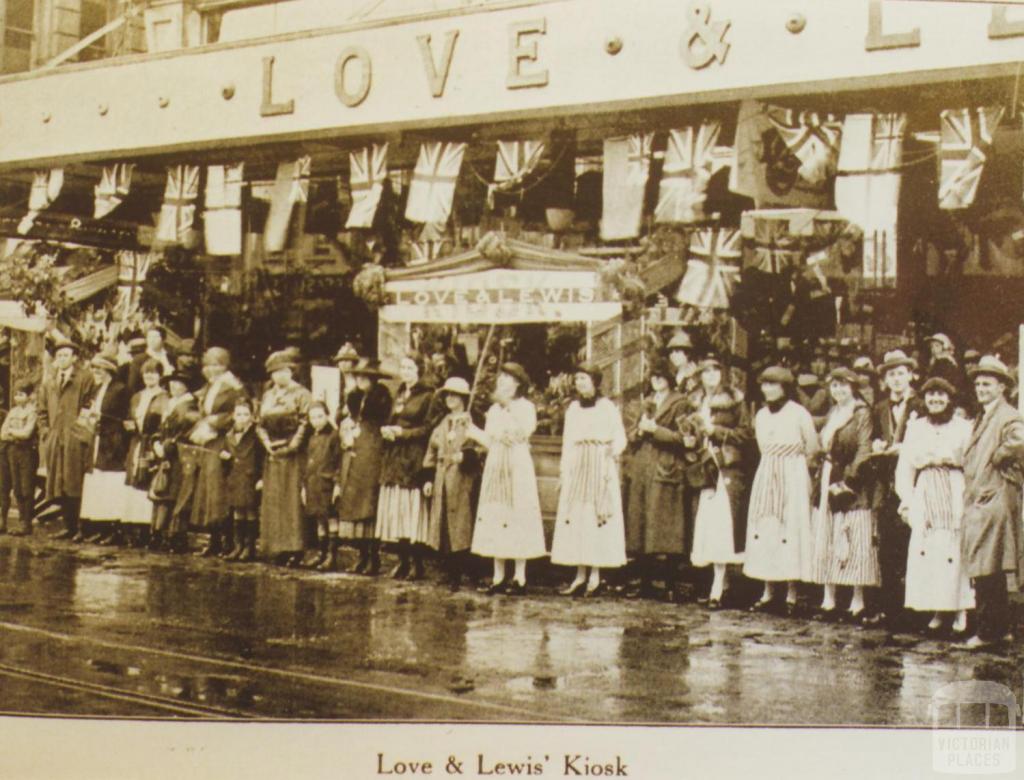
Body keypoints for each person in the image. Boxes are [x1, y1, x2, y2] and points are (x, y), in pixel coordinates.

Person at [894, 377, 974, 636]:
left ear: (950, 399)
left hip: (953, 487)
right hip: (926, 488)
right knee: (930, 549)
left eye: (941, 395)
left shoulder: (963, 427)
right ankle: (938, 611)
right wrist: (906, 500)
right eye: (931, 396)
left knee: (954, 547)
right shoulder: (916, 427)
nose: (935, 400)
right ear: (924, 399)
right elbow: (905, 466)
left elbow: (972, 463)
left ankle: (960, 611)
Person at [960, 355, 1024, 649]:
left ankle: (987, 631)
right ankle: (1000, 629)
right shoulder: (985, 416)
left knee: (987, 566)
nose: (981, 388)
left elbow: (1019, 440)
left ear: (1001, 387)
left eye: (988, 384)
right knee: (990, 565)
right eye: (978, 384)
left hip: (994, 497)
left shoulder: (1007, 415)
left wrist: (999, 456)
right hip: (983, 497)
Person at [743, 366, 819, 615]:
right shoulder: (762, 415)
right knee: (767, 527)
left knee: (791, 528)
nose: (768, 389)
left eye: (774, 384)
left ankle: (792, 593)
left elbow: (812, 447)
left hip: (793, 473)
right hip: (767, 472)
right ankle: (768, 590)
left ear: (785, 387)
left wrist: (797, 471)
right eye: (765, 384)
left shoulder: (799, 414)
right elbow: (761, 444)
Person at [467, 362, 546, 595]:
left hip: (516, 466)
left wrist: (508, 409)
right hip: (496, 464)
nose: (502, 382)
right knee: (496, 513)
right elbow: (491, 441)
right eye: (500, 378)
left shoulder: (525, 407)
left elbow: (521, 432)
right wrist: (471, 429)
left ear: (518, 383)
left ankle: (519, 577)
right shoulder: (494, 410)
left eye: (507, 378)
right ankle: (498, 575)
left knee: (517, 514)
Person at [809, 367, 879, 623]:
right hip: (829, 474)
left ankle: (856, 601)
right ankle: (829, 598)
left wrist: (850, 478)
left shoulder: (861, 413)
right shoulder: (833, 413)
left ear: (853, 387)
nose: (838, 391)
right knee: (827, 532)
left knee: (852, 534)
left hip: (852, 479)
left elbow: (864, 447)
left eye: (843, 386)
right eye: (834, 386)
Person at [550, 366, 627, 597]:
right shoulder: (573, 408)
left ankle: (595, 575)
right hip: (578, 466)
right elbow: (567, 441)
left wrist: (611, 451)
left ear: (594, 381)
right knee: (578, 519)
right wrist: (564, 472)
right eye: (577, 379)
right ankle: (579, 575)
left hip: (600, 466)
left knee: (596, 519)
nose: (579, 383)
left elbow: (620, 437)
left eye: (583, 378)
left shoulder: (607, 407)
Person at [865, 349, 926, 629]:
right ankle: (890, 610)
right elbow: (874, 435)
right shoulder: (879, 407)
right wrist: (877, 443)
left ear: (910, 376)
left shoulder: (922, 404)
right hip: (886, 484)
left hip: (913, 483)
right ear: (885, 380)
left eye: (901, 373)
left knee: (912, 545)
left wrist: (907, 449)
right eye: (891, 375)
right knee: (887, 547)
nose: (897, 380)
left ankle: (913, 611)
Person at [624, 359, 690, 601]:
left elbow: (685, 437)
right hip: (644, 466)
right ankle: (643, 580)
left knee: (667, 529)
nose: (657, 381)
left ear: (670, 379)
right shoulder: (647, 402)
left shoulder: (681, 403)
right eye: (653, 377)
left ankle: (670, 583)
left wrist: (655, 431)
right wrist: (640, 431)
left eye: (661, 377)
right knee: (642, 525)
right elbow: (631, 435)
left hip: (666, 465)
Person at [688, 357, 751, 609]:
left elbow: (746, 433)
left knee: (722, 525)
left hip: (725, 466)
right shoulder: (694, 401)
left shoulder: (735, 400)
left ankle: (718, 585)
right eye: (706, 371)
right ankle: (716, 581)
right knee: (705, 525)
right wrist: (690, 439)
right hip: (703, 466)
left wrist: (717, 432)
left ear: (722, 374)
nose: (710, 375)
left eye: (715, 370)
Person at [376, 354, 438, 581]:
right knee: (397, 511)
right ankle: (401, 561)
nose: (406, 371)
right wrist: (389, 430)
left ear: (419, 371)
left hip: (413, 456)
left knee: (412, 512)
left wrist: (403, 433)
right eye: (403, 367)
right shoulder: (399, 393)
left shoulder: (428, 396)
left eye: (410, 367)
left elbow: (428, 429)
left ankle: (416, 563)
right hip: (395, 457)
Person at [421, 376, 481, 591]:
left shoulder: (471, 422)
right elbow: (431, 450)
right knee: (443, 524)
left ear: (463, 398)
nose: (450, 398)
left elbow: (480, 448)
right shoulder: (442, 423)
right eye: (447, 394)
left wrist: (466, 457)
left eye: (454, 395)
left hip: (462, 480)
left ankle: (466, 571)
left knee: (462, 524)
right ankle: (448, 571)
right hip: (441, 477)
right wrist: (428, 478)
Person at [187, 347, 245, 557]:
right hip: (208, 441)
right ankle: (214, 539)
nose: (211, 370)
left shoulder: (234, 387)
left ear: (224, 365)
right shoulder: (210, 386)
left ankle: (228, 540)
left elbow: (239, 413)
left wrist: (215, 423)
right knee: (208, 491)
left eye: (216, 365)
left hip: (223, 441)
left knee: (220, 490)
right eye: (208, 365)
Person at [336, 358, 392, 575]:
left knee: (369, 502)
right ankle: (361, 555)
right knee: (354, 500)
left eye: (364, 377)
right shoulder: (354, 397)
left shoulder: (381, 398)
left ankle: (373, 557)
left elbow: (381, 423)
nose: (359, 380)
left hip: (373, 448)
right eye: (357, 376)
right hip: (356, 449)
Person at [257, 350, 312, 567]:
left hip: (293, 453)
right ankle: (276, 546)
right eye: (274, 372)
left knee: (291, 500)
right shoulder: (268, 395)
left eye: (283, 371)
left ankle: (295, 548)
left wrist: (293, 445)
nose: (279, 376)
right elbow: (259, 422)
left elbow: (305, 422)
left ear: (291, 371)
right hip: (273, 452)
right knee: (275, 499)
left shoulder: (301, 394)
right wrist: (267, 443)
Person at [39, 338, 95, 541]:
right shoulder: (50, 381)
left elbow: (89, 406)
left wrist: (81, 432)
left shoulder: (84, 378)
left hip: (75, 438)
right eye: (59, 355)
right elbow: (42, 410)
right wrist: (46, 431)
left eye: (66, 355)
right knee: (59, 483)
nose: (62, 359)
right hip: (55, 438)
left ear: (74, 358)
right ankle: (68, 525)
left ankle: (81, 527)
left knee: (75, 483)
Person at [79, 350, 130, 545]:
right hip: (97, 439)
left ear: (109, 370)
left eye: (99, 368)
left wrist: (104, 421)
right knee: (97, 482)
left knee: (110, 483)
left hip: (112, 442)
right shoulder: (96, 389)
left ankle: (112, 528)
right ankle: (97, 527)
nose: (96, 372)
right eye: (94, 368)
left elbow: (122, 417)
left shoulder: (120, 389)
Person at [150, 371, 199, 553]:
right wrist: (155, 443)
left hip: (180, 456)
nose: (174, 386)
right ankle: (159, 533)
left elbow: (185, 432)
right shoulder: (170, 404)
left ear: (186, 386)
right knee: (162, 492)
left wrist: (167, 447)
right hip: (165, 453)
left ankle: (175, 537)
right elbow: (160, 429)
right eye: (172, 383)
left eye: (179, 383)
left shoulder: (190, 405)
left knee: (177, 495)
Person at [122, 359, 167, 547]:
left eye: (153, 373)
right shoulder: (137, 396)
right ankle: (134, 530)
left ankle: (150, 530)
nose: (149, 376)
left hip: (151, 443)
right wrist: (129, 425)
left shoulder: (164, 397)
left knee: (148, 483)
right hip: (136, 441)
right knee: (134, 482)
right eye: (146, 373)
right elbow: (129, 417)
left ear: (160, 376)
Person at [220, 399, 263, 562]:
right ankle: (238, 546)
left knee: (250, 510)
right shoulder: (229, 436)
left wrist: (261, 478)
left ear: (252, 416)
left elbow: (262, 458)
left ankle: (249, 547)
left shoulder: (257, 435)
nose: (242, 418)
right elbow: (224, 455)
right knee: (238, 511)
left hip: (249, 477)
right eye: (239, 414)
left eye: (246, 414)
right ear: (233, 416)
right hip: (235, 477)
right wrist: (224, 458)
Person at [303, 401, 341, 570]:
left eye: (320, 416)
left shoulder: (334, 436)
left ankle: (332, 556)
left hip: (328, 483)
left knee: (331, 518)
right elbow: (308, 464)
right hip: (313, 483)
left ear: (327, 416)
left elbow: (339, 461)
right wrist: (304, 486)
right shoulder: (312, 437)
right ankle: (322, 553)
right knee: (319, 519)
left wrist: (337, 483)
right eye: (313, 417)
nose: (316, 420)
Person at [0, 381, 38, 536]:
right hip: (13, 451)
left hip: (27, 451)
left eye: (21, 394)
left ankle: (26, 522)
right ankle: (20, 521)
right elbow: (2, 433)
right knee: (16, 488)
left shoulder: (32, 411)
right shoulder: (13, 411)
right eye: (16, 394)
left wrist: (12, 431)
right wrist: (16, 432)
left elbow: (27, 433)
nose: (17, 398)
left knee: (26, 487)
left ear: (29, 396)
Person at [128, 326, 176, 395]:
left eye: (155, 337)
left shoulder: (170, 358)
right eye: (149, 337)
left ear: (163, 339)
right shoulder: (139, 359)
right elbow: (132, 385)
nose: (152, 340)